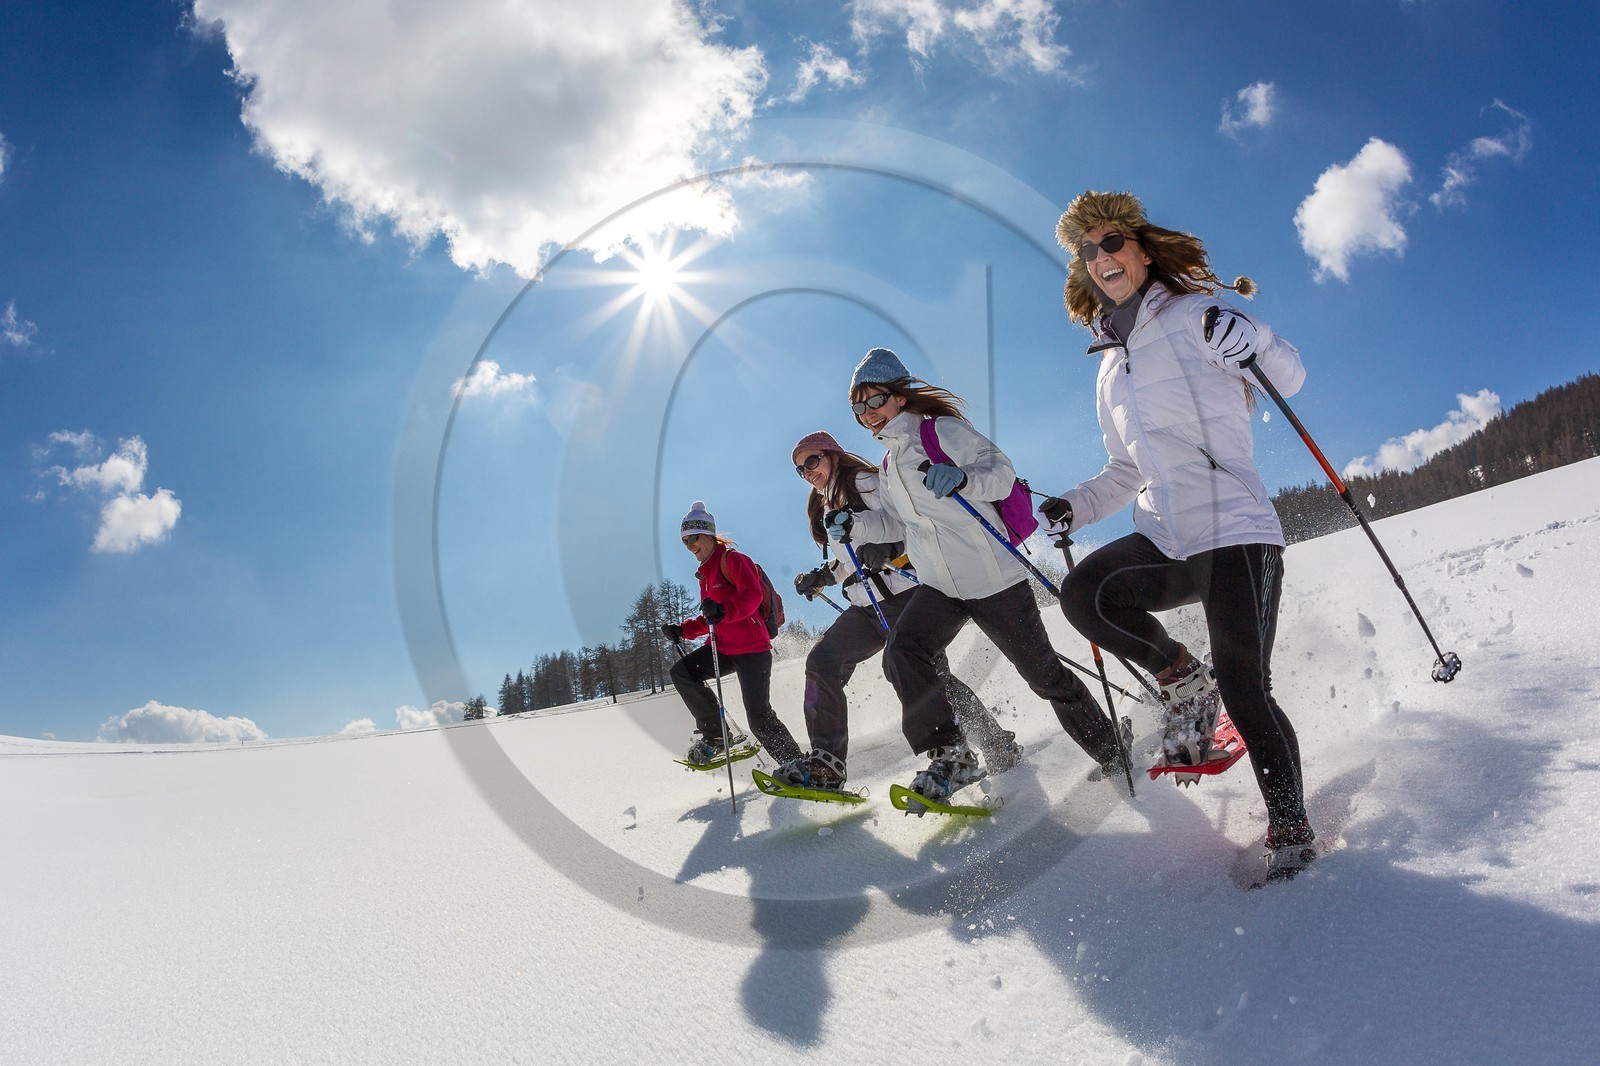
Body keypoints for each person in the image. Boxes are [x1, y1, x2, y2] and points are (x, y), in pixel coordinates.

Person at [1043, 189, 1317, 882]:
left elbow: (1290, 372)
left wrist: (1250, 340)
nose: (1101, 257)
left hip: (1235, 532)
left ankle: (1290, 825)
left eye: (1110, 242)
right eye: (1087, 251)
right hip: (1167, 536)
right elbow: (1123, 469)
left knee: (1247, 686)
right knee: (1086, 595)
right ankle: (1182, 678)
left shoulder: (1199, 314)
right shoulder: (1109, 367)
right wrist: (1074, 506)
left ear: (1139, 247)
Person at [830, 348, 1124, 806]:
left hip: (993, 579)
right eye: (859, 406)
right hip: (940, 586)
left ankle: (1112, 751)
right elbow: (895, 524)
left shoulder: (940, 432)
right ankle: (951, 755)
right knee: (902, 654)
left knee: (1043, 676)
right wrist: (856, 526)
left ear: (901, 396)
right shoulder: (888, 466)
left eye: (876, 400)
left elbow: (1001, 475)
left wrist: (963, 478)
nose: (868, 413)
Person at [775, 430, 1022, 792]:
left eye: (812, 460)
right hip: (866, 605)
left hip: (907, 593)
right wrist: (823, 576)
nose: (808, 472)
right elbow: (850, 560)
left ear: (832, 455)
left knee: (927, 676)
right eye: (800, 470)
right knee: (822, 663)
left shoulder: (869, 483)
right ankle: (826, 763)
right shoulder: (826, 505)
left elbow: (917, 522)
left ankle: (982, 746)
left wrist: (891, 547)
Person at [664, 501, 804, 767]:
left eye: (693, 538)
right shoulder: (704, 576)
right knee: (682, 673)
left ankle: (796, 765)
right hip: (724, 648)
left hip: (752, 648)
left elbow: (751, 597)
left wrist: (723, 610)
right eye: (684, 542)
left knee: (759, 716)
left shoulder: (734, 560)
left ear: (708, 535)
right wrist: (683, 630)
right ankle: (717, 736)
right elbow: (710, 617)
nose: (690, 545)